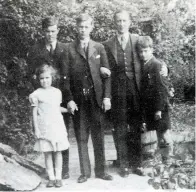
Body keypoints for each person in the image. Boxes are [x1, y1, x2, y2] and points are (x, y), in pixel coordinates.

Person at [102, 10, 168, 177]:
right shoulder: (107, 44)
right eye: (118, 21)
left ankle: (136, 163)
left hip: (137, 89)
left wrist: (165, 67)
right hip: (117, 91)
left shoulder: (137, 39)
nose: (121, 24)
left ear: (129, 22)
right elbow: (103, 67)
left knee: (137, 126)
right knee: (120, 127)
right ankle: (123, 164)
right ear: (114, 23)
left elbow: (151, 57)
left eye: (124, 20)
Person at [61, 13, 113, 183]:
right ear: (76, 28)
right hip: (78, 101)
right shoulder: (68, 49)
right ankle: (85, 172)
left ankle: (101, 171)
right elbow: (65, 77)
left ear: (91, 27)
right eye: (80, 27)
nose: (83, 30)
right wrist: (68, 99)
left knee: (98, 135)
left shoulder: (99, 48)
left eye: (86, 27)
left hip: (96, 99)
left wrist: (106, 97)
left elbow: (107, 75)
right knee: (81, 136)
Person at [27, 16, 70, 179]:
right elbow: (31, 75)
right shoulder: (35, 49)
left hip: (61, 95)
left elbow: (68, 74)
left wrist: (68, 98)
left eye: (53, 31)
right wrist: (38, 94)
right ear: (43, 32)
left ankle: (63, 171)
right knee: (46, 136)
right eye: (47, 31)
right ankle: (50, 172)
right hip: (44, 99)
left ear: (57, 31)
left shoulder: (65, 48)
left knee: (61, 133)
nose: (50, 34)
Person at [29, 64, 70, 188]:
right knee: (47, 153)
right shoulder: (35, 94)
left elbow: (56, 108)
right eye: (42, 78)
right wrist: (36, 129)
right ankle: (51, 177)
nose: (44, 81)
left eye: (47, 77)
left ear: (52, 77)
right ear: (38, 79)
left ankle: (58, 177)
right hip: (44, 127)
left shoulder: (57, 92)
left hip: (56, 125)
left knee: (58, 152)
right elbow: (34, 113)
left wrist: (68, 110)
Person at [137, 36, 173, 163]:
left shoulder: (157, 65)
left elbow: (162, 89)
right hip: (149, 106)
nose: (143, 54)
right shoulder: (143, 65)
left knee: (163, 133)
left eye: (146, 51)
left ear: (151, 49)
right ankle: (160, 159)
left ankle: (168, 159)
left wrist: (159, 109)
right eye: (140, 52)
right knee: (155, 132)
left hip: (159, 106)